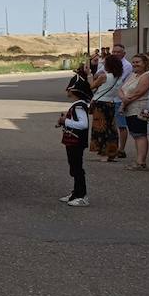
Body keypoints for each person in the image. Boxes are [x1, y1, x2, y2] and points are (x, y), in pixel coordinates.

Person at [57, 75, 92, 206]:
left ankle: (82, 195)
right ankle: (76, 192)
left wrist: (64, 120)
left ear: (74, 91)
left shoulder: (79, 106)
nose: (67, 91)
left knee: (77, 168)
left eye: (69, 89)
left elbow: (83, 124)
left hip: (76, 142)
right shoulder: (77, 105)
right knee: (73, 167)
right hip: (72, 142)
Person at [119, 53, 149, 170]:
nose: (135, 64)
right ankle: (139, 160)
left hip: (139, 109)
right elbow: (120, 89)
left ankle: (141, 163)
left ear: (145, 63)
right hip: (130, 108)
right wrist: (124, 99)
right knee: (136, 135)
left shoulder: (147, 75)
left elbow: (139, 92)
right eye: (133, 62)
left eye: (138, 62)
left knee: (140, 135)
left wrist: (125, 101)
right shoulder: (132, 75)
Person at [89, 54, 122, 161]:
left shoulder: (104, 77)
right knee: (110, 128)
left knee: (100, 129)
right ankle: (111, 151)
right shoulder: (118, 77)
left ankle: (103, 152)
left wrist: (89, 74)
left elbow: (91, 86)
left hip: (100, 104)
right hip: (111, 103)